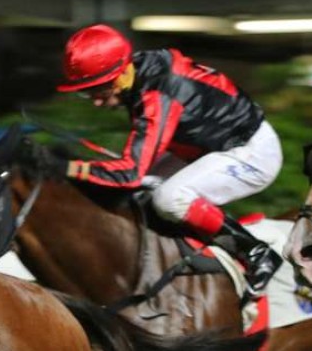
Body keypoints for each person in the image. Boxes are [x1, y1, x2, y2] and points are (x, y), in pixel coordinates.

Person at [47, 23, 283, 293]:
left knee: (169, 198)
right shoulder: (138, 75)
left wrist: (66, 168)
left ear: (122, 72)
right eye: (86, 92)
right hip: (205, 148)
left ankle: (256, 253)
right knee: (142, 192)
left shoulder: (157, 94)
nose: (96, 101)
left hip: (252, 152)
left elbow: (128, 172)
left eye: (99, 89)